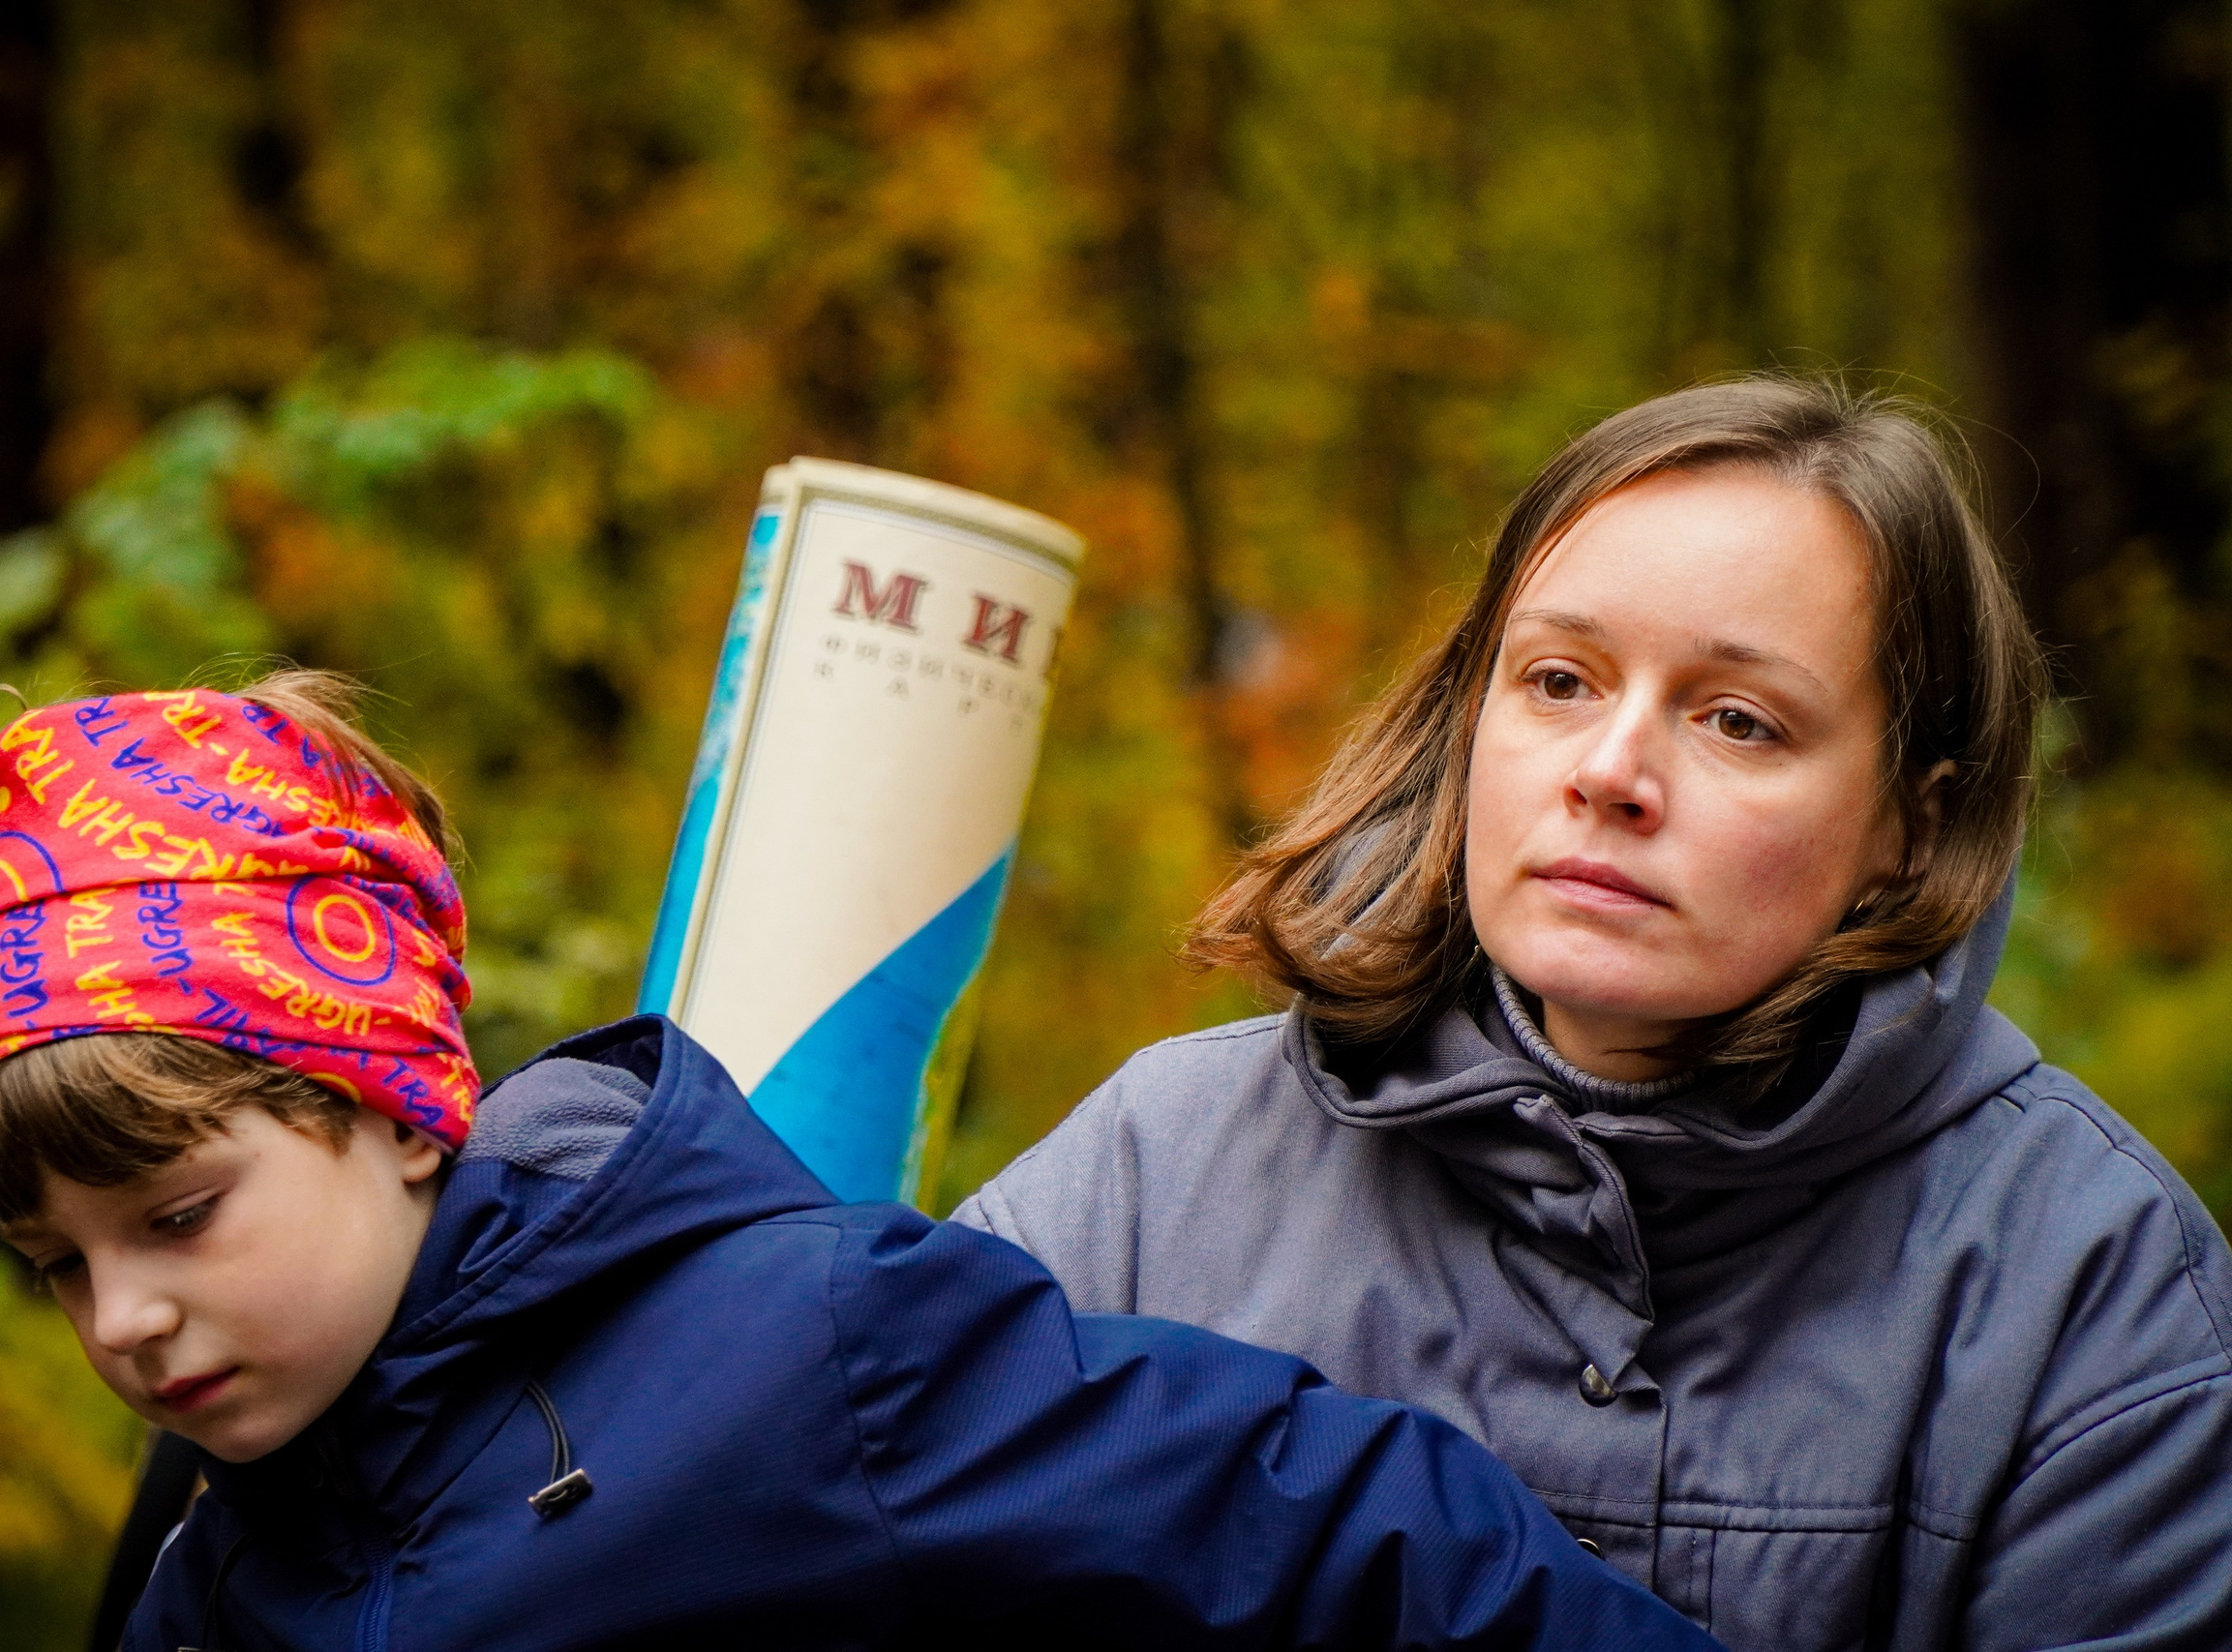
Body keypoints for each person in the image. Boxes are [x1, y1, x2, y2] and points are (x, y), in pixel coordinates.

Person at [0, 674, 1719, 1652]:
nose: (126, 1320)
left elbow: (1329, 1523)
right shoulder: (207, 1560)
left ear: (398, 1108)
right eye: (61, 1262)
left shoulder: (815, 1344)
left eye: (176, 1217)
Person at [954, 376, 2232, 1650]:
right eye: (1560, 681)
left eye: (1738, 721)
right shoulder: (1156, 1171)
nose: (1609, 772)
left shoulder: (2095, 1289)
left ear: (1912, 824)